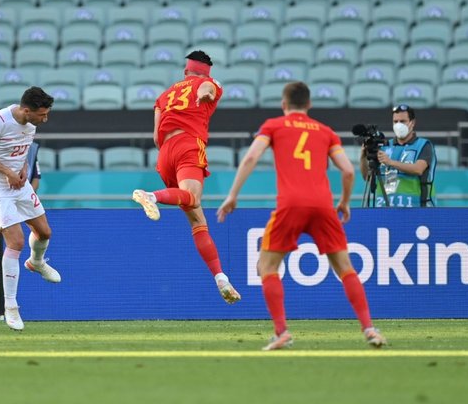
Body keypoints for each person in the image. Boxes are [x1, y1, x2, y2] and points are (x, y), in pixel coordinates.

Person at [217, 81, 387, 350]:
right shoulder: (326, 132)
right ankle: (369, 328)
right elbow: (348, 171)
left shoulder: (273, 126)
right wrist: (343, 202)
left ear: (284, 104)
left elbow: (250, 158)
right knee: (345, 268)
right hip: (323, 205)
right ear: (309, 105)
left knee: (267, 267)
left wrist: (232, 195)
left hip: (291, 204)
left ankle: (282, 331)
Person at [131, 51, 241, 304]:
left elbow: (157, 137)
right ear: (207, 71)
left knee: (196, 218)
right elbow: (206, 89)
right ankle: (151, 196)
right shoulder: (208, 83)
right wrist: (206, 94)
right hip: (188, 143)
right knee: (192, 197)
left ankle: (220, 278)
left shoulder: (164, 95)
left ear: (185, 70)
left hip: (165, 154)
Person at [0, 87, 59, 331]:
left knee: (44, 232)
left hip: (18, 184)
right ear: (26, 110)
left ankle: (36, 262)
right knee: (16, 242)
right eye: (41, 115)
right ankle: (11, 306)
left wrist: (21, 168)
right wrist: (8, 172)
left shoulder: (31, 126)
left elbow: (20, 151)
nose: (45, 119)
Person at [359, 104, 436, 208]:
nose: (398, 125)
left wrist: (391, 162)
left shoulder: (423, 145)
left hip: (416, 208)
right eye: (395, 122)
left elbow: (418, 169)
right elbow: (367, 177)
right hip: (385, 208)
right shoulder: (385, 146)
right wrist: (363, 156)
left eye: (403, 121)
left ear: (412, 123)